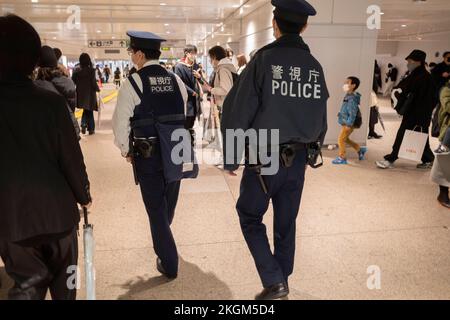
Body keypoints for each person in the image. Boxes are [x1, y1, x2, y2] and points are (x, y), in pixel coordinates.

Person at [221, 0, 328, 300]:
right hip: (298, 160)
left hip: (263, 156)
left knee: (249, 215)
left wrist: (231, 157)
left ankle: (275, 281)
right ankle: (282, 279)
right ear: (304, 26)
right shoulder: (315, 67)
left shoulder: (263, 61)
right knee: (286, 222)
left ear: (274, 23)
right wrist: (310, 153)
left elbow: (236, 111)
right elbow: (321, 118)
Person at [0, 14, 92, 300]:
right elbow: (71, 158)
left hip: (12, 219)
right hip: (59, 215)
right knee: (67, 286)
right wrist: (84, 194)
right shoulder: (50, 102)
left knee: (26, 286)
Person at [112, 30, 189, 279]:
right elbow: (183, 110)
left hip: (150, 154)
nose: (131, 56)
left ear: (141, 54)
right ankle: (164, 238)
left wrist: (126, 150)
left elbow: (120, 122)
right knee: (168, 202)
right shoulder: (176, 80)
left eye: (132, 51)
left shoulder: (133, 83)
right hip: (176, 149)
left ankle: (169, 262)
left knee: (156, 208)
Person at [376, 50, 437, 170]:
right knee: (421, 136)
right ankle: (429, 159)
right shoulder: (415, 75)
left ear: (419, 61)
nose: (408, 63)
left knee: (403, 135)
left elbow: (430, 99)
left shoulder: (425, 78)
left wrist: (421, 114)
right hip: (414, 113)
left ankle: (391, 158)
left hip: (418, 114)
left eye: (410, 61)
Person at [34, 45, 80, 140]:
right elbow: (71, 106)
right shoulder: (68, 82)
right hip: (67, 128)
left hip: (48, 134)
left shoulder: (39, 85)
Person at [332, 77, 367, 165]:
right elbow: (346, 108)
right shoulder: (348, 95)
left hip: (348, 123)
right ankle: (360, 149)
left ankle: (342, 157)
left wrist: (349, 124)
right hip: (345, 121)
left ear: (353, 85)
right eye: (345, 82)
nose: (345, 84)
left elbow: (352, 113)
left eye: (347, 82)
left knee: (340, 140)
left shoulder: (352, 98)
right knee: (346, 139)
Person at [174, 45, 201, 146]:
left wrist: (199, 76)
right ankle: (185, 144)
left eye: (195, 53)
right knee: (186, 122)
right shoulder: (179, 67)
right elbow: (179, 82)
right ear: (186, 53)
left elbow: (200, 80)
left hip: (195, 100)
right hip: (186, 100)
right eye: (192, 53)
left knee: (192, 121)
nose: (194, 56)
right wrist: (191, 92)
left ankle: (190, 143)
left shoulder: (196, 66)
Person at [431, 79, 450, 209]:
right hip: (449, 132)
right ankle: (443, 194)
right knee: (444, 164)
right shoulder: (446, 90)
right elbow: (448, 106)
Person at [72, 53, 100, 135]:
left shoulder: (76, 71)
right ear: (88, 60)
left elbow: (73, 82)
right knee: (89, 110)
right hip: (90, 94)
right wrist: (97, 89)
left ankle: (85, 125)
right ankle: (90, 128)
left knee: (86, 109)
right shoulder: (91, 71)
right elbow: (93, 83)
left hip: (80, 94)